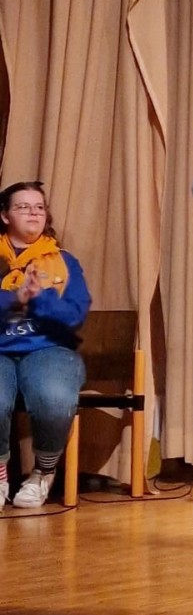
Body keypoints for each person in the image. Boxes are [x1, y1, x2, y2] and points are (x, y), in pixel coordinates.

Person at [0, 182, 90, 509]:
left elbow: (75, 314)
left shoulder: (64, 261)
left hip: (49, 348)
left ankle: (43, 472)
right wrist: (15, 299)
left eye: (39, 207)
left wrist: (39, 299)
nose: (33, 213)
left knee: (53, 397)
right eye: (23, 207)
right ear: (5, 215)